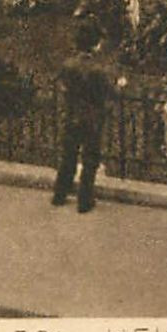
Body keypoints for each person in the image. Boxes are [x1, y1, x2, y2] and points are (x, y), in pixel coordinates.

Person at [52, 13, 112, 213]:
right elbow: (106, 93)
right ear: (96, 44)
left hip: (70, 115)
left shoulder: (68, 65)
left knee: (68, 155)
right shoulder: (98, 69)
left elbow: (62, 85)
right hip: (91, 118)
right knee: (90, 159)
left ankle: (59, 194)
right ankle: (84, 200)